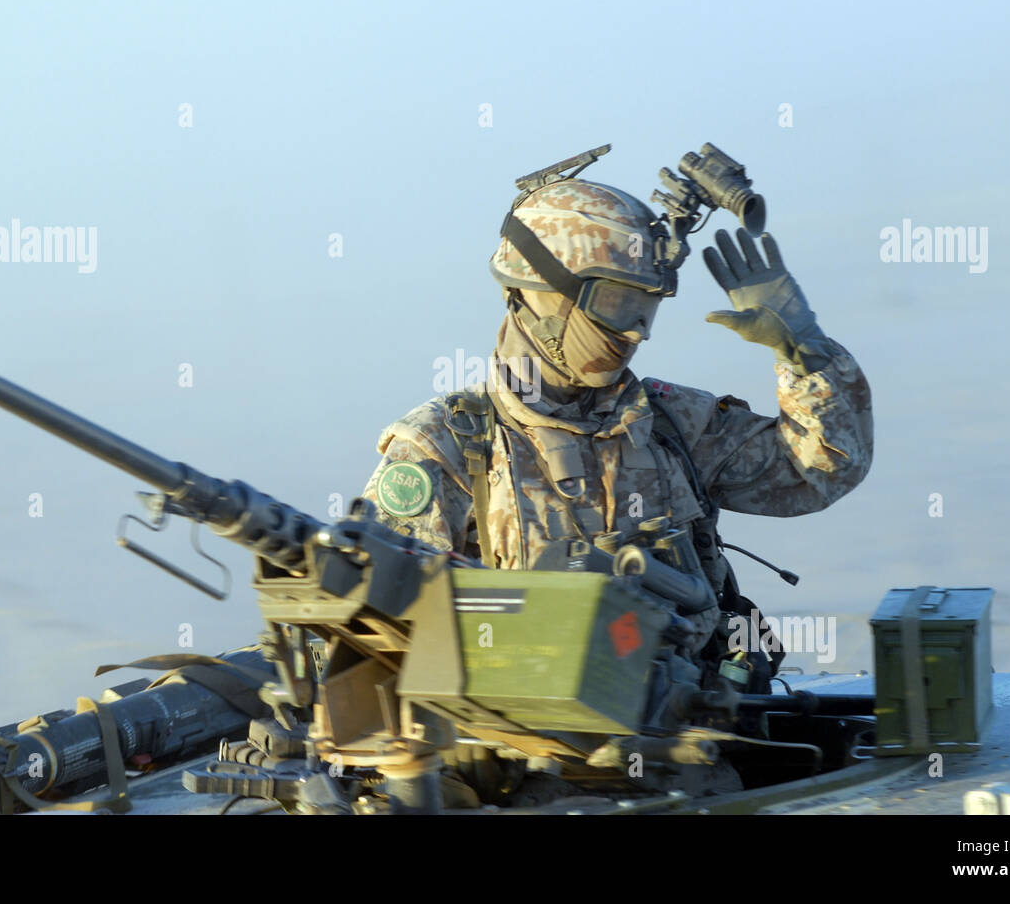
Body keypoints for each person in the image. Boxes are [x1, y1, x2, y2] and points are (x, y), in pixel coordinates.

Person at [361, 167, 872, 682]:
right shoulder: (444, 448)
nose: (634, 330)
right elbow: (387, 634)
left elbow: (821, 471)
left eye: (646, 308)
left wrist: (804, 350)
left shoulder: (673, 424)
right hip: (527, 750)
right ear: (538, 288)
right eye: (616, 303)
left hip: (696, 730)